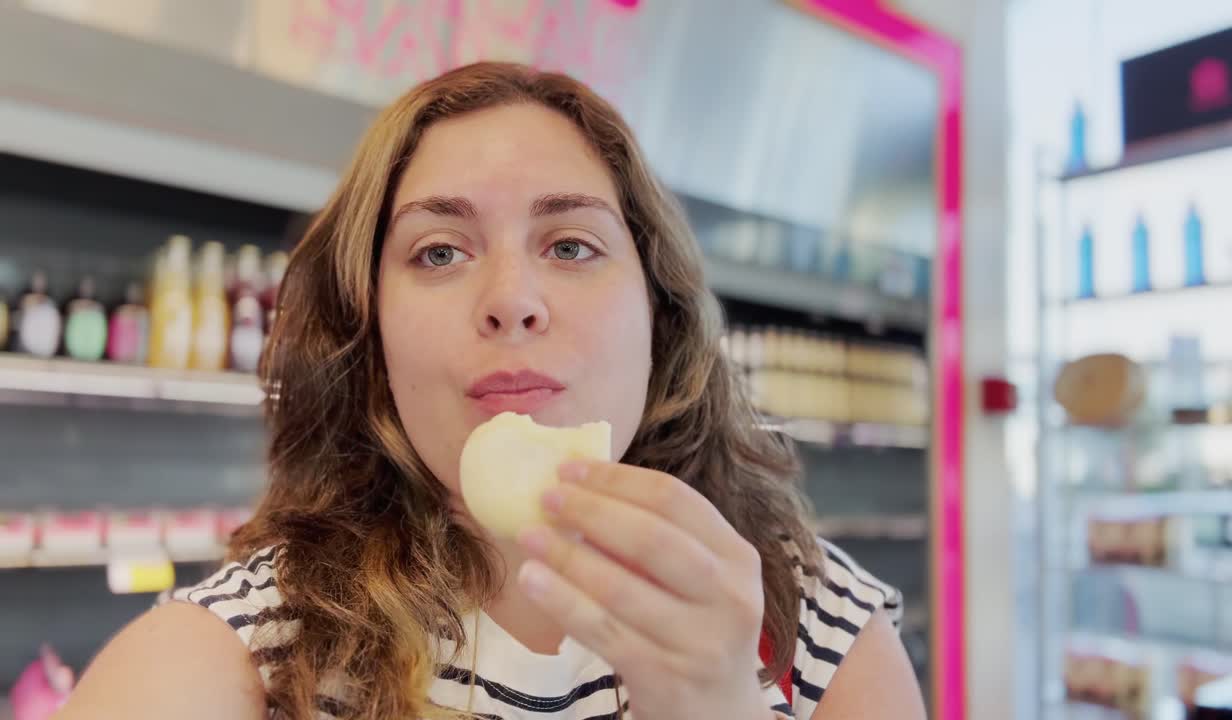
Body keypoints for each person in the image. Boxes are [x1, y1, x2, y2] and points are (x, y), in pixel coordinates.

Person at [56, 62, 925, 720]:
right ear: (370, 328)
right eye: (439, 252)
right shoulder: (242, 658)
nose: (512, 301)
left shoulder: (815, 625)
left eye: (572, 245)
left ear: (657, 314)